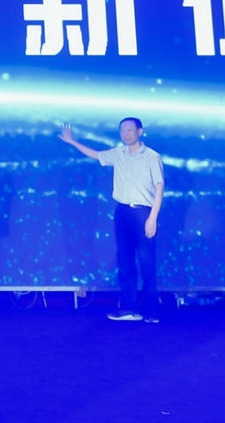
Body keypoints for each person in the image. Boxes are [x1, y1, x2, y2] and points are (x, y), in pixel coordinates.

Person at [60, 118, 164, 323]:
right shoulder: (119, 153)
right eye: (122, 131)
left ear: (139, 131)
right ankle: (129, 308)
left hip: (143, 213)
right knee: (125, 261)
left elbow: (159, 188)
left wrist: (153, 217)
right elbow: (96, 155)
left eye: (129, 130)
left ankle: (151, 311)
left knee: (147, 262)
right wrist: (72, 141)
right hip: (122, 212)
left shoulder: (152, 157)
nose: (125, 134)